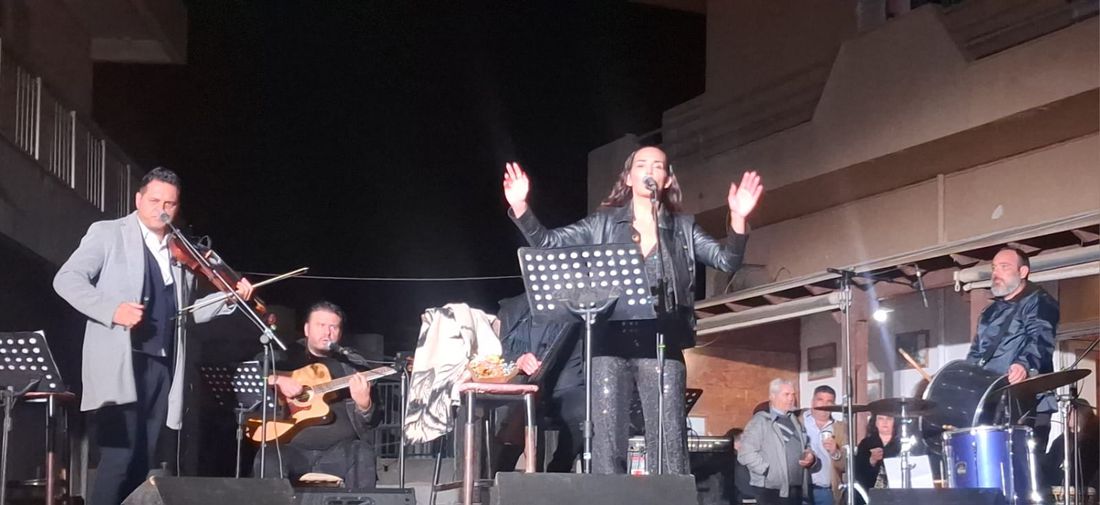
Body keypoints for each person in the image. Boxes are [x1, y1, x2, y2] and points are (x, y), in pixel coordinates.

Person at [502, 146, 762, 474]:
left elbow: (726, 260)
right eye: (641, 165)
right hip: (610, 342)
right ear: (628, 177)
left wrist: (738, 219)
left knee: (668, 439)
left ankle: (668, 494)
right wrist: (521, 206)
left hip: (661, 342)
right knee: (607, 440)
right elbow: (549, 244)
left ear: (667, 180)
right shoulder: (602, 223)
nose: (649, 170)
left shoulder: (682, 227)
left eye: (658, 166)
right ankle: (610, 495)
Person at [53, 167, 254, 505]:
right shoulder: (108, 233)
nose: (162, 209)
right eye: (154, 201)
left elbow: (187, 313)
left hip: (161, 366)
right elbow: (67, 279)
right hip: (119, 363)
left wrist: (227, 298)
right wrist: (112, 309)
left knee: (144, 459)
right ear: (138, 199)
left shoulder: (181, 253)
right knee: (118, 457)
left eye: (170, 204)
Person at [254, 301, 381, 487]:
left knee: (362, 452)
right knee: (268, 457)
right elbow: (249, 375)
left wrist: (364, 406)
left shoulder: (353, 364)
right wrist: (277, 379)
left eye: (333, 327)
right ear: (307, 329)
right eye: (321, 325)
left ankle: (360, 500)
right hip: (291, 449)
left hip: (338, 452)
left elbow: (374, 420)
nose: (327, 332)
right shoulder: (284, 356)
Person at [965, 247, 1059, 447]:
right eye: (994, 268)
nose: (996, 273)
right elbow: (976, 352)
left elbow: (1040, 338)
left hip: (1028, 402)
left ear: (1022, 272)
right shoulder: (989, 312)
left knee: (1023, 462)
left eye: (1004, 267)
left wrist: (1023, 364)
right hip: (991, 401)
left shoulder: (1039, 301)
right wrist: (966, 378)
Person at [494, 293, 584, 473]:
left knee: (582, 414)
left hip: (564, 386)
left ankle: (557, 473)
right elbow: (497, 354)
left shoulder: (576, 308)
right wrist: (518, 360)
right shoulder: (512, 309)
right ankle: (497, 477)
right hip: (521, 385)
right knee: (513, 420)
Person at [738, 379, 818, 505]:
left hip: (795, 490)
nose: (791, 398)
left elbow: (806, 445)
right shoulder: (760, 421)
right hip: (770, 491)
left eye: (793, 394)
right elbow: (745, 452)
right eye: (786, 394)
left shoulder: (795, 421)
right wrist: (766, 471)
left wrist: (810, 456)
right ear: (772, 396)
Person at [800, 386, 847, 505]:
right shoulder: (798, 421)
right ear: (812, 402)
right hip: (800, 491)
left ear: (834, 405)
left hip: (826, 492)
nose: (824, 405)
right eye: (820, 399)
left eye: (829, 401)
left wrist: (835, 452)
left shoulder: (840, 428)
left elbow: (846, 466)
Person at [1042, 400, 1099, 491]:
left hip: (1088, 489)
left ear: (1080, 413)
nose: (1067, 415)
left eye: (1070, 411)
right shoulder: (1062, 440)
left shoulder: (1094, 438)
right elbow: (1049, 465)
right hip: (1063, 489)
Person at [853, 415, 900, 494]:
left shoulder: (902, 442)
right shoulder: (865, 444)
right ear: (875, 422)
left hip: (897, 491)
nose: (885, 422)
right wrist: (871, 461)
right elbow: (858, 472)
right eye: (881, 418)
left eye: (889, 419)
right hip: (870, 492)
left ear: (894, 422)